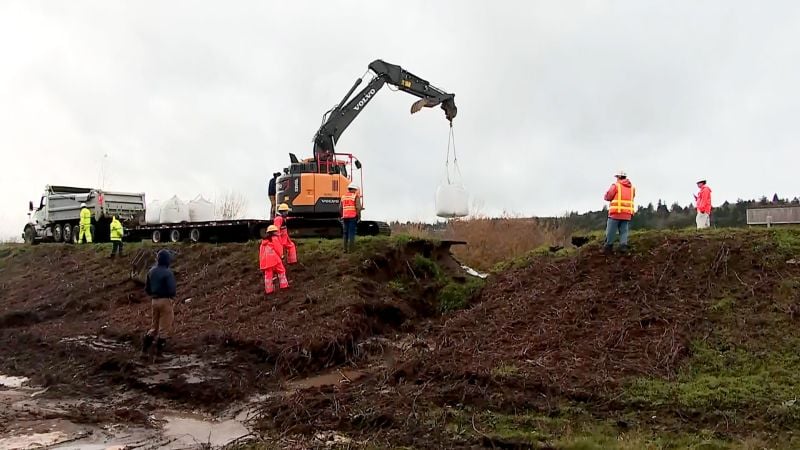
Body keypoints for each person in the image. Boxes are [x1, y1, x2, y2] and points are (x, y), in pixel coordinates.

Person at [142, 249, 177, 357]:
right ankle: (158, 354)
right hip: (165, 300)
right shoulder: (168, 272)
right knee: (164, 328)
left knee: (154, 328)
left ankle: (144, 350)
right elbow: (172, 290)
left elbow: (147, 289)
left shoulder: (151, 271)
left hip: (154, 301)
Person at [603, 170, 636, 254]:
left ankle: (608, 247)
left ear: (618, 177)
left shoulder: (616, 186)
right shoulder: (632, 188)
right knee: (624, 230)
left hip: (615, 213)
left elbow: (608, 196)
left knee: (611, 230)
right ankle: (623, 246)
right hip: (627, 213)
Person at [260, 225, 289, 294]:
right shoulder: (275, 239)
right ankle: (284, 286)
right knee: (281, 271)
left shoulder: (263, 242)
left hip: (266, 262)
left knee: (268, 275)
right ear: (273, 232)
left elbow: (261, 253)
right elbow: (278, 248)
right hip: (275, 260)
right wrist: (281, 255)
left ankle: (269, 290)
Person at [340, 183, 363, 253]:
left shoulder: (343, 197)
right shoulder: (355, 196)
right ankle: (351, 250)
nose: (356, 191)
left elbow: (340, 208)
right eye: (355, 189)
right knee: (351, 233)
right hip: (352, 217)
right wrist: (359, 217)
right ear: (353, 189)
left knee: (345, 233)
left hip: (345, 217)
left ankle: (345, 249)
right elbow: (358, 208)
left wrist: (342, 215)